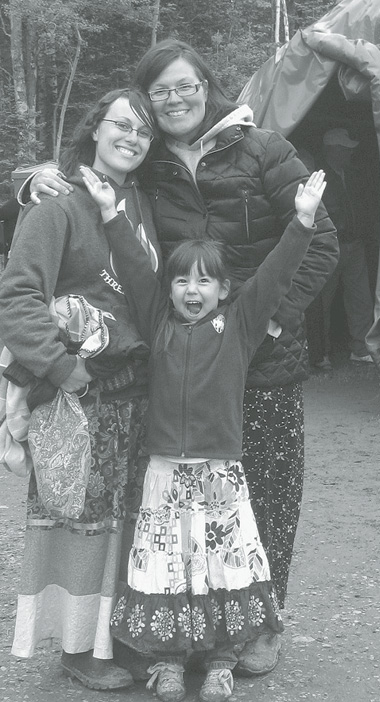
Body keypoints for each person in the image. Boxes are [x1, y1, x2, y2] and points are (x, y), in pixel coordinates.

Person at [25, 38, 339, 676]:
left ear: (208, 87)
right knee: (169, 503)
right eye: (160, 89)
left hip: (259, 350)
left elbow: (321, 240)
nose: (173, 99)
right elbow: (94, 172)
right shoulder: (151, 164)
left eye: (185, 86)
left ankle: (256, 626)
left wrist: (269, 324)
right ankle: (174, 628)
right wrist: (32, 175)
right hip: (178, 356)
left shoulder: (263, 149)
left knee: (265, 495)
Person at [81, 164, 327, 702]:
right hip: (165, 475)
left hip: (220, 474)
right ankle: (169, 662)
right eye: (182, 279)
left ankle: (221, 660)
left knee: (224, 566)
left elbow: (276, 276)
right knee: (169, 566)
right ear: (169, 288)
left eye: (204, 281)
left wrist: (302, 223)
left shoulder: (240, 326)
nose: (192, 290)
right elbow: (135, 270)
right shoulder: (158, 321)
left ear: (224, 289)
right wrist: (109, 214)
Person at [0, 88, 161, 690]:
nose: (133, 138)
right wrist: (60, 367)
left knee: (125, 519)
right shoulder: (56, 204)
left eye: (143, 132)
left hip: (134, 392)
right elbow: (16, 296)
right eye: (122, 124)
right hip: (77, 396)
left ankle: (116, 636)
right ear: (95, 128)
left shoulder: (140, 202)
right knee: (81, 520)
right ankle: (75, 647)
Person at [317, 127, 374, 365]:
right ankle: (321, 353)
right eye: (345, 149)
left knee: (360, 298)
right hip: (330, 247)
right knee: (322, 301)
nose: (350, 153)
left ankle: (360, 349)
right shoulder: (318, 176)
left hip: (353, 245)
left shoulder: (351, 174)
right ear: (333, 150)